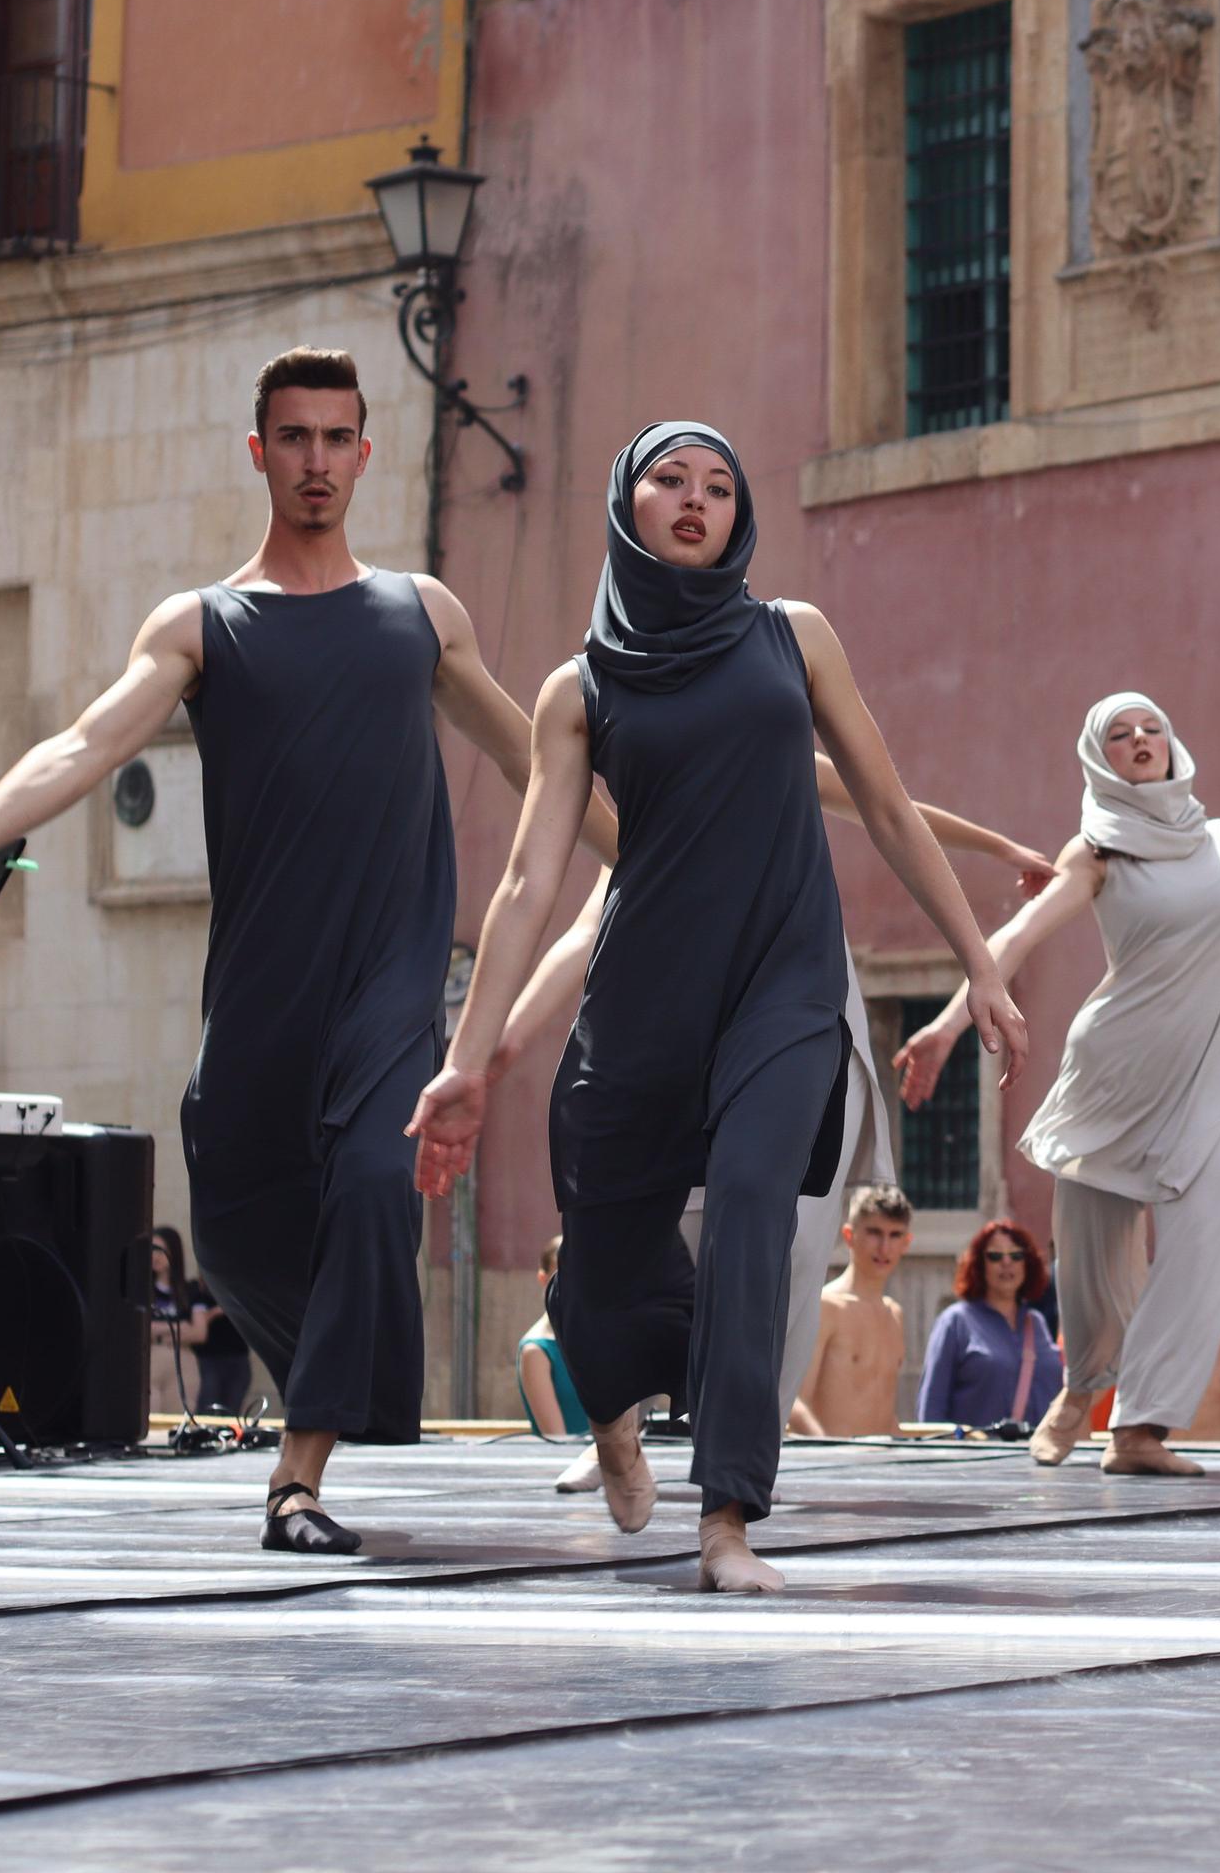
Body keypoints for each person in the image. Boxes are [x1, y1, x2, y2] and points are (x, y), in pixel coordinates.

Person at [0, 346, 615, 1555]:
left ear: (364, 454)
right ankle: (341, 1383)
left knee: (379, 1178)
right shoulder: (202, 625)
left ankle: (296, 1474)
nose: (317, 460)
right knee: (236, 1219)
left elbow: (540, 763)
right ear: (258, 451)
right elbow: (80, 745)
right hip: (263, 987)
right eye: (295, 438)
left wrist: (643, 857)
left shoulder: (420, 614)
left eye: (337, 438)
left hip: (390, 978)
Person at [407, 421, 1026, 1595]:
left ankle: (728, 1516)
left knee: (752, 1206)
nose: (696, 500)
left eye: (719, 486)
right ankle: (611, 1415)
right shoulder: (575, 688)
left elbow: (887, 807)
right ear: (626, 506)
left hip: (782, 985)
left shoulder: (793, 638)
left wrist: (978, 962)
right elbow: (532, 878)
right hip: (644, 995)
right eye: (669, 481)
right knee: (600, 1254)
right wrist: (465, 1059)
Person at [897, 693, 1220, 1479]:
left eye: (1150, 729)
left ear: (1171, 742)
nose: (1139, 742)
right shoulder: (1094, 852)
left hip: (1200, 1079)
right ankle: (1080, 1388)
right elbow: (1017, 934)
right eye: (1119, 735)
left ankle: (1137, 1428)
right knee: (1092, 1256)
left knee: (1197, 1248)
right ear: (1100, 759)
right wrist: (952, 1020)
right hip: (1115, 1069)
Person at [488, 782, 1056, 1436]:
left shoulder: (762, 740)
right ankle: (639, 1424)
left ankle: (745, 1443)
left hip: (797, 1018)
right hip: (690, 1029)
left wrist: (1000, 848)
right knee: (668, 1229)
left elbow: (889, 807)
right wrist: (499, 1040)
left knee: (788, 1235)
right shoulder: (650, 819)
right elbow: (587, 924)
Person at [914, 1218, 1062, 1430]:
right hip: (976, 1458)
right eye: (995, 1256)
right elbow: (931, 1408)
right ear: (978, 1264)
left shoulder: (1036, 1323)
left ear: (1027, 1263)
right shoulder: (955, 1321)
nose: (1006, 1263)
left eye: (1016, 1255)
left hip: (1036, 1457)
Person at [789, 1186, 913, 1437]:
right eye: (874, 1233)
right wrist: (831, 1452)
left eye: (895, 1234)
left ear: (906, 1243)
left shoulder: (894, 1314)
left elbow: (882, 1410)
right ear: (849, 1235)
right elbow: (792, 1400)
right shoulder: (825, 1306)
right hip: (834, 1468)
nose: (884, 1247)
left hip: (883, 1467)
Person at [517, 1234, 601, 1493]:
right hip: (570, 1475)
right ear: (543, 1278)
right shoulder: (536, 1350)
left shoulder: (598, 1337)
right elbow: (558, 1439)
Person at [148, 1226, 212, 1420]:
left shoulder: (190, 1290)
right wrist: (181, 1327)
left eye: (160, 1250)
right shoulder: (142, 1288)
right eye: (151, 1250)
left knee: (179, 1417)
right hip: (151, 1357)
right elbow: (142, 1329)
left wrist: (161, 1329)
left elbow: (200, 1333)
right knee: (149, 1413)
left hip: (183, 1360)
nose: (155, 1257)